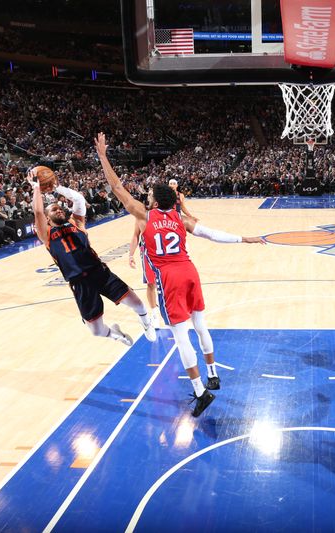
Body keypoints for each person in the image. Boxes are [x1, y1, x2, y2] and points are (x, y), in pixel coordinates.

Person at [95, 132, 264, 417]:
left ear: (155, 200)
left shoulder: (144, 216)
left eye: (148, 195)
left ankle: (200, 391)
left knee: (181, 337)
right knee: (201, 325)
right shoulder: (179, 218)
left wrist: (103, 156)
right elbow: (211, 234)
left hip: (170, 279)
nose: (145, 197)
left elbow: (117, 187)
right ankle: (213, 373)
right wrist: (243, 238)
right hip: (190, 272)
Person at [27, 169, 157, 347]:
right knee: (96, 331)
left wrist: (57, 188)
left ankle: (146, 322)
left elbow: (79, 199)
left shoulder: (76, 222)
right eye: (53, 210)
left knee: (138, 304)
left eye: (59, 208)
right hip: (80, 283)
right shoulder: (46, 234)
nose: (58, 210)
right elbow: (38, 212)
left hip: (99, 272)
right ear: (48, 219)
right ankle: (115, 335)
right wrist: (36, 187)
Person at [129, 189, 160, 322]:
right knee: (151, 283)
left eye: (151, 194)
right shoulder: (141, 214)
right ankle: (154, 312)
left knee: (167, 282)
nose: (148, 196)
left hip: (163, 252)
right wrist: (131, 255)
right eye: (148, 194)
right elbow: (136, 235)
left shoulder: (164, 213)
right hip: (148, 253)